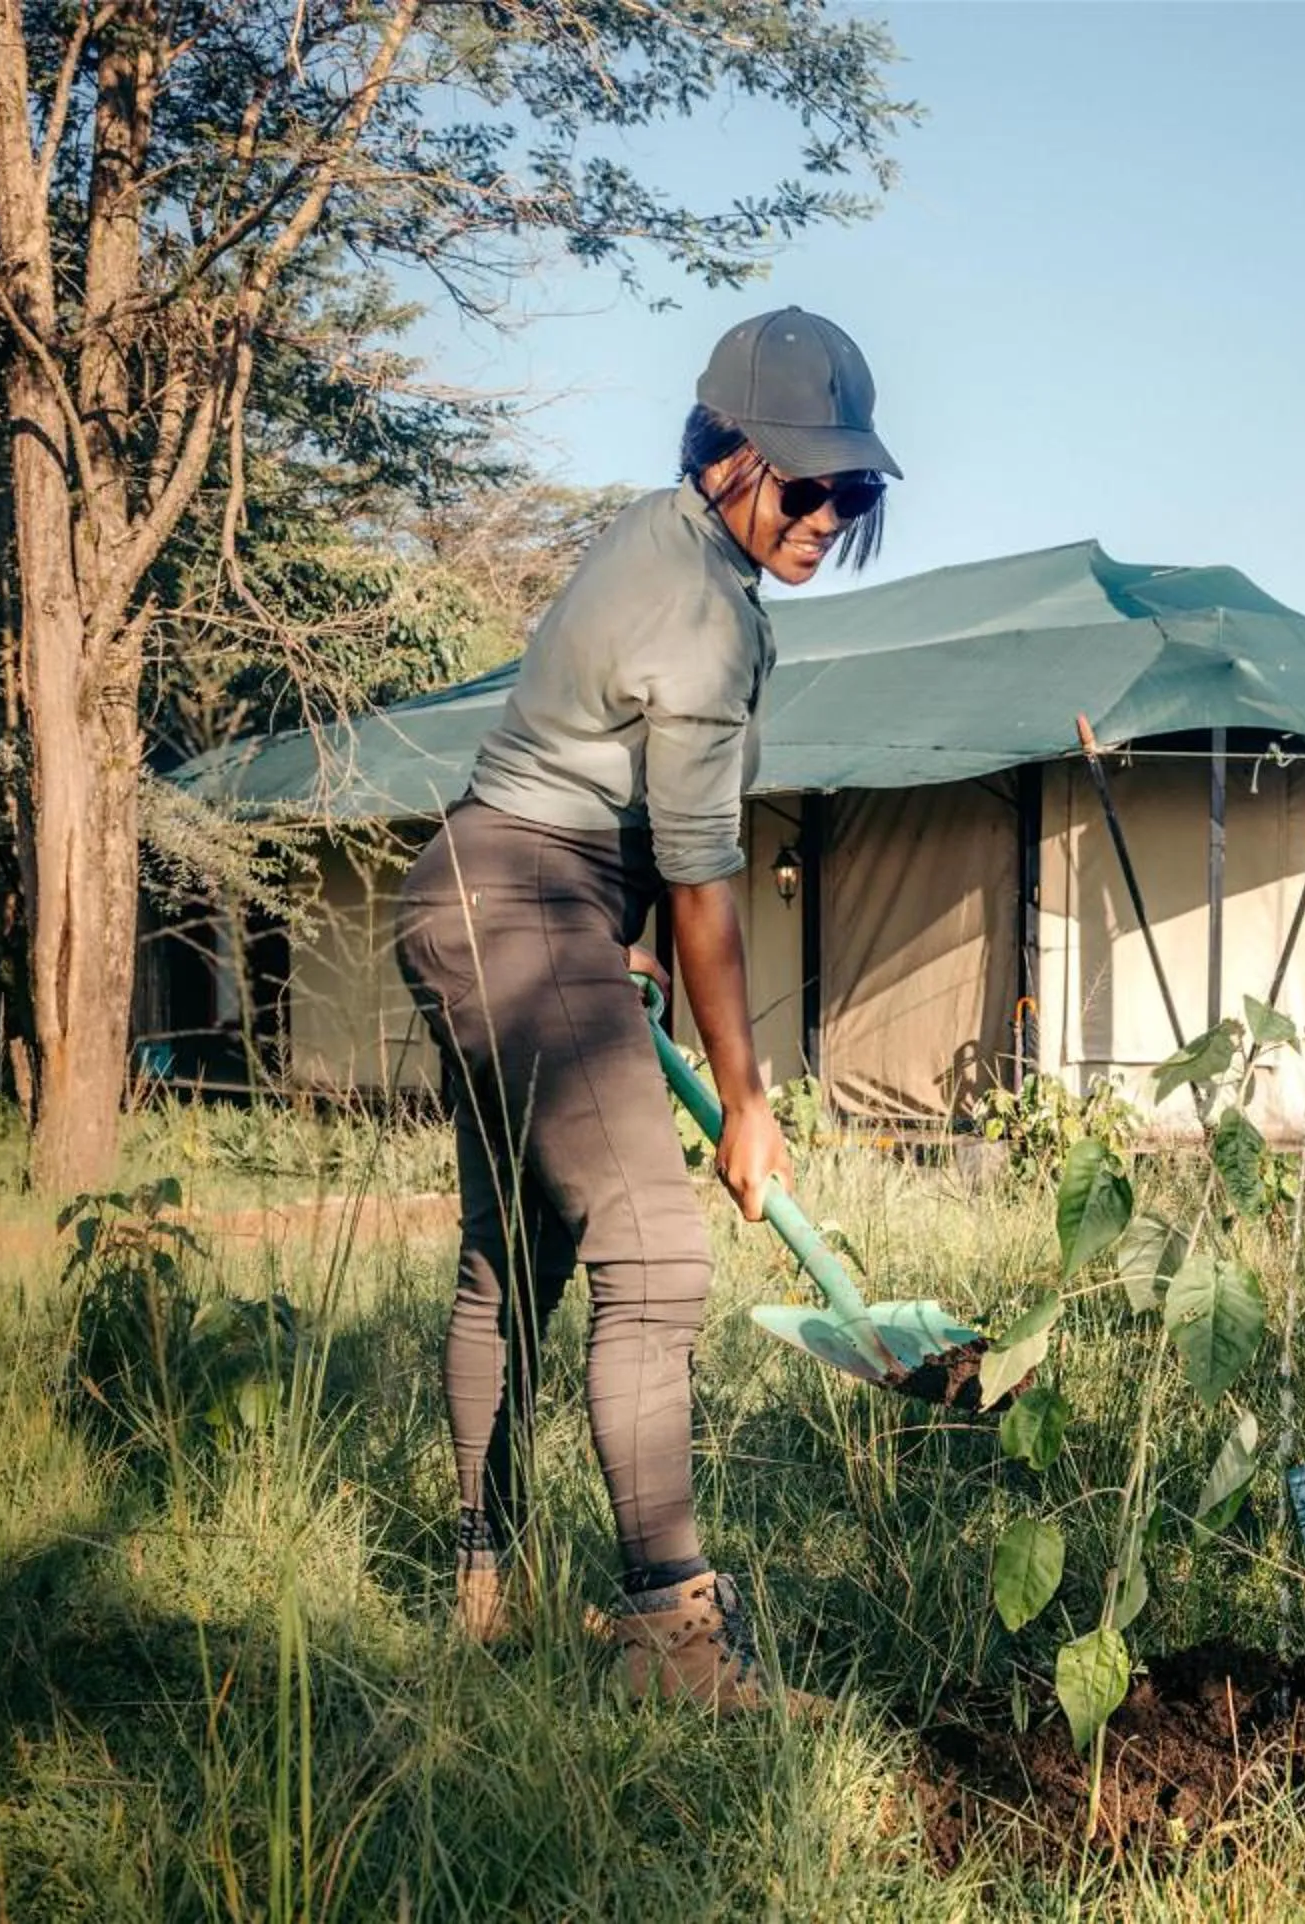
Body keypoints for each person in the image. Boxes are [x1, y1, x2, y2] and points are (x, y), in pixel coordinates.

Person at [394, 307, 897, 1712]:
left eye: (853, 493)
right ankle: (675, 1642)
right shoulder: (703, 610)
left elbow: (612, 798)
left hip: (481, 891)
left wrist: (622, 961)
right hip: (529, 899)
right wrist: (746, 1100)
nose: (826, 516)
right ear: (733, 457)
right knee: (660, 1261)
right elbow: (702, 881)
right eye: (806, 485)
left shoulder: (659, 537)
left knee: (513, 1264)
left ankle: (484, 1584)